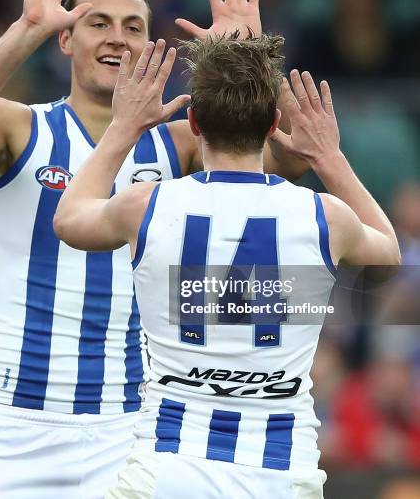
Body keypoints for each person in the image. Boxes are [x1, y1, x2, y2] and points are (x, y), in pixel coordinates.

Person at [0, 0, 304, 498]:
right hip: (3, 424)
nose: (117, 37)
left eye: (133, 26)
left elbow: (290, 156)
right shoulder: (18, 128)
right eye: (98, 23)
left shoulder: (184, 144)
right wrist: (27, 27)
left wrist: (247, 59)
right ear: (66, 39)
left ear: (151, 45)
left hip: (129, 426)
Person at [53, 34, 401, 498]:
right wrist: (328, 157)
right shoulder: (325, 215)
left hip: (168, 464)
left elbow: (69, 219)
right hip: (279, 469)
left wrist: (124, 128)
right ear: (275, 123)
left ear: (192, 121)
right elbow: (389, 257)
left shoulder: (147, 204)